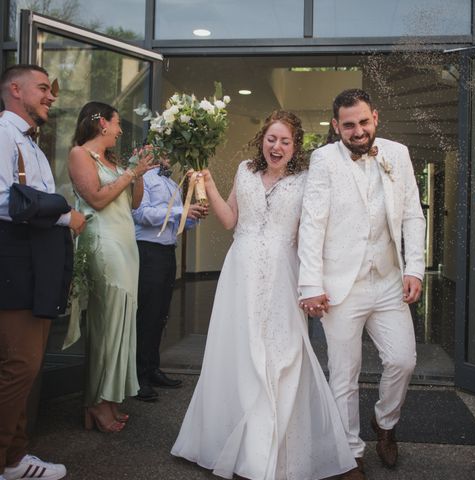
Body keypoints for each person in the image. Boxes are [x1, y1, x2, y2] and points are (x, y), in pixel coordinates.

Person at [171, 110, 356, 479]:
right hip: (239, 273)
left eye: (285, 141)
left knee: (283, 352)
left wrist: (316, 282)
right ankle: (236, 442)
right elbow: (228, 219)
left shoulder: (306, 180)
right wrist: (206, 181)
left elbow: (309, 236)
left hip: (282, 275)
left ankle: (274, 443)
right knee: (240, 352)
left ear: (295, 145)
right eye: (272, 139)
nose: (277, 146)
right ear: (262, 141)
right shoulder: (244, 170)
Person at [297, 88, 426, 479]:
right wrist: (310, 285)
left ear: (376, 118)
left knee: (403, 360)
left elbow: (412, 216)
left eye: (363, 122)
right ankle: (349, 453)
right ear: (336, 126)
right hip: (340, 284)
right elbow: (312, 222)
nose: (357, 131)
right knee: (344, 373)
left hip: (388, 280)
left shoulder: (397, 154)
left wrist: (415, 268)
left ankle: (384, 424)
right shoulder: (322, 160)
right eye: (348, 125)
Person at [0, 64, 86, 480]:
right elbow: (6, 201)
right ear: (14, 90)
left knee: (23, 366)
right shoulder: (3, 135)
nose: (51, 96)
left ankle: (14, 459)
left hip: (35, 264)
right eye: (41, 88)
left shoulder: (30, 143)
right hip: (16, 263)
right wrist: (64, 213)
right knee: (21, 365)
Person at [68, 102, 154, 433]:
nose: (119, 130)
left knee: (120, 324)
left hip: (125, 245)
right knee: (105, 327)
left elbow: (132, 202)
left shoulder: (113, 160)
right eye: (117, 124)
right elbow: (98, 199)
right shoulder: (80, 155)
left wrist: (138, 172)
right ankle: (95, 401)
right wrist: (131, 173)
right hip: (102, 244)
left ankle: (109, 398)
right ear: (102, 123)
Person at [132, 160, 208, 401]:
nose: (169, 158)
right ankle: (137, 378)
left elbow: (177, 222)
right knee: (147, 315)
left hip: (166, 252)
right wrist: (180, 211)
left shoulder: (172, 182)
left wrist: (194, 216)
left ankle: (152, 368)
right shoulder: (144, 180)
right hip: (147, 251)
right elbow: (140, 214)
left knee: (161, 314)